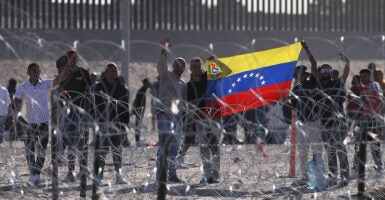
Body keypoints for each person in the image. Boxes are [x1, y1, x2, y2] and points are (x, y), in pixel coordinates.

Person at [9, 63, 67, 186]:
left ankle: (37, 174)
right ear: (28, 73)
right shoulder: (23, 87)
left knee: (41, 149)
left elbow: (58, 80)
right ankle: (32, 173)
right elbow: (16, 102)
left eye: (38, 71)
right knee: (30, 150)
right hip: (29, 123)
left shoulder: (45, 84)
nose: (36, 73)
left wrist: (65, 68)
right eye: (34, 71)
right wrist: (11, 117)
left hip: (44, 122)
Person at [312, 49, 350, 187]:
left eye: (328, 71)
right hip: (325, 123)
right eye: (323, 72)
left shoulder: (337, 84)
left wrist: (348, 63)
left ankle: (345, 177)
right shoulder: (319, 87)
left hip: (338, 122)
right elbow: (313, 68)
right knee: (330, 152)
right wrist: (309, 53)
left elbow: (345, 75)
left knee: (340, 150)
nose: (325, 74)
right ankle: (333, 177)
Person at [156, 37, 187, 183]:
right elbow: (161, 66)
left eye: (181, 65)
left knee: (174, 148)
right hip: (164, 115)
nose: (178, 66)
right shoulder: (166, 76)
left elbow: (182, 102)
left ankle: (172, 174)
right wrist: (164, 52)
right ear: (173, 66)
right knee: (164, 146)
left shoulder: (182, 84)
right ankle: (160, 175)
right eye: (176, 64)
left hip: (176, 117)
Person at [94, 62, 130, 184]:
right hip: (103, 124)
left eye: (115, 71)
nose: (114, 73)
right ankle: (99, 176)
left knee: (117, 151)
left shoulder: (123, 88)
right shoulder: (98, 87)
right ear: (105, 73)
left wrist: (125, 125)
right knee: (102, 151)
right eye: (111, 71)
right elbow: (96, 107)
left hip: (118, 124)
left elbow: (125, 108)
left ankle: (118, 176)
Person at [59, 49, 92, 183]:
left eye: (75, 57)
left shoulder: (83, 73)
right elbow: (58, 90)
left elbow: (90, 90)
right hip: (68, 113)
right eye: (70, 57)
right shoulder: (64, 74)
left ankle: (83, 170)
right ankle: (70, 171)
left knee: (83, 143)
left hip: (82, 113)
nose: (73, 59)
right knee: (70, 142)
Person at [352, 69, 383, 172]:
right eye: (361, 76)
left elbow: (379, 99)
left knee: (374, 142)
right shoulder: (359, 86)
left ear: (369, 76)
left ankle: (378, 165)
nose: (362, 78)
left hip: (372, 119)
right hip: (360, 119)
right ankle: (357, 165)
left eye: (364, 76)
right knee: (359, 143)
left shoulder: (373, 85)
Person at [132, 77, 152, 146]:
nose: (150, 83)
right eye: (148, 82)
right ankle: (137, 141)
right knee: (137, 126)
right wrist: (135, 111)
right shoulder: (141, 91)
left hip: (140, 111)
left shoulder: (144, 90)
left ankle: (138, 140)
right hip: (138, 111)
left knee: (138, 125)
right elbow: (136, 101)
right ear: (145, 83)